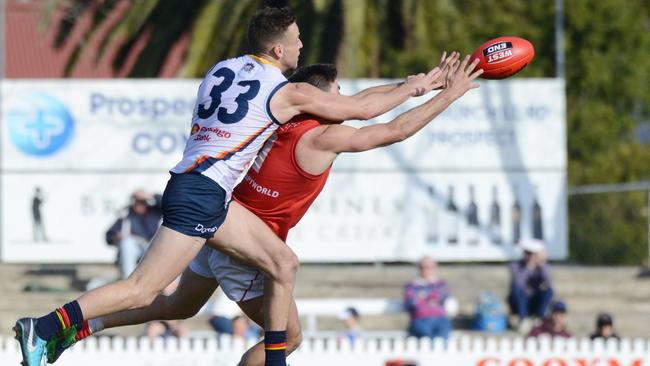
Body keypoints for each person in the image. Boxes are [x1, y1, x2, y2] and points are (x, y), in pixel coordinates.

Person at [15, 6, 446, 366]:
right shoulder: (286, 91)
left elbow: (349, 104)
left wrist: (412, 85)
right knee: (142, 288)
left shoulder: (222, 69)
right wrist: (415, 89)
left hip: (209, 193)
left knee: (270, 268)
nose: (300, 45)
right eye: (295, 39)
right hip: (202, 193)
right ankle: (45, 327)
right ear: (278, 49)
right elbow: (359, 108)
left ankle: (74, 330)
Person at [105, 189, 162, 278]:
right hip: (134, 250)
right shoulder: (126, 216)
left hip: (150, 247)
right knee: (127, 242)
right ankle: (128, 279)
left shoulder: (153, 213)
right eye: (137, 202)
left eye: (142, 202)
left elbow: (166, 204)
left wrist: (150, 195)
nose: (140, 205)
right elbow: (109, 235)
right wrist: (116, 237)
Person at [507, 238, 554, 334]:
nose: (530, 256)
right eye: (528, 253)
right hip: (520, 300)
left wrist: (541, 264)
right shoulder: (515, 265)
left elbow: (548, 281)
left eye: (533, 254)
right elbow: (518, 282)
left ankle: (539, 318)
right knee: (517, 290)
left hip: (534, 300)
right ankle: (523, 319)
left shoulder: (542, 266)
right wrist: (528, 267)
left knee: (548, 290)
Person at [404, 256, 453, 339]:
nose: (424, 270)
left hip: (440, 319)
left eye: (428, 267)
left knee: (441, 338)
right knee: (427, 339)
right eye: (421, 267)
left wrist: (422, 297)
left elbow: (442, 297)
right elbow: (410, 303)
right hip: (420, 319)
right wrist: (430, 298)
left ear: (434, 268)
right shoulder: (411, 285)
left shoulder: (441, 284)